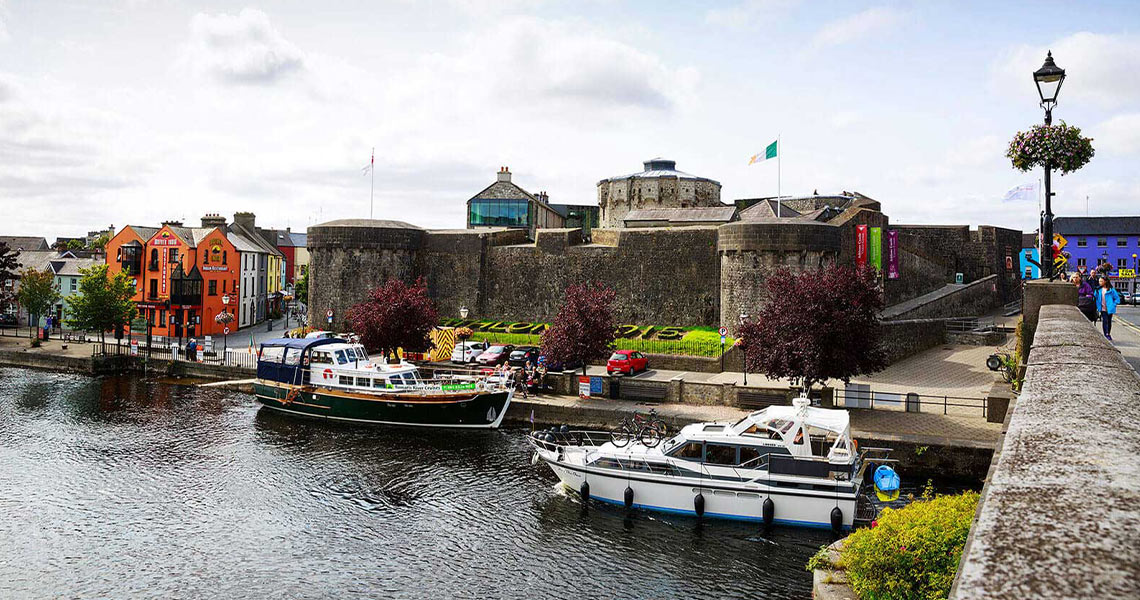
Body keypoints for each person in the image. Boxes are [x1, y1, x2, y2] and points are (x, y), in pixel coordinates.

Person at [1094, 276, 1122, 341]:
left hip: (1110, 308)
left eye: (1101, 281)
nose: (1099, 282)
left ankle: (1108, 333)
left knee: (1109, 322)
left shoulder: (1111, 290)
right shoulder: (1098, 290)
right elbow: (1094, 298)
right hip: (1102, 308)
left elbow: (1117, 299)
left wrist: (1113, 304)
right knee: (1105, 321)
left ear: (1105, 281)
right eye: (1099, 281)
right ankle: (1106, 334)